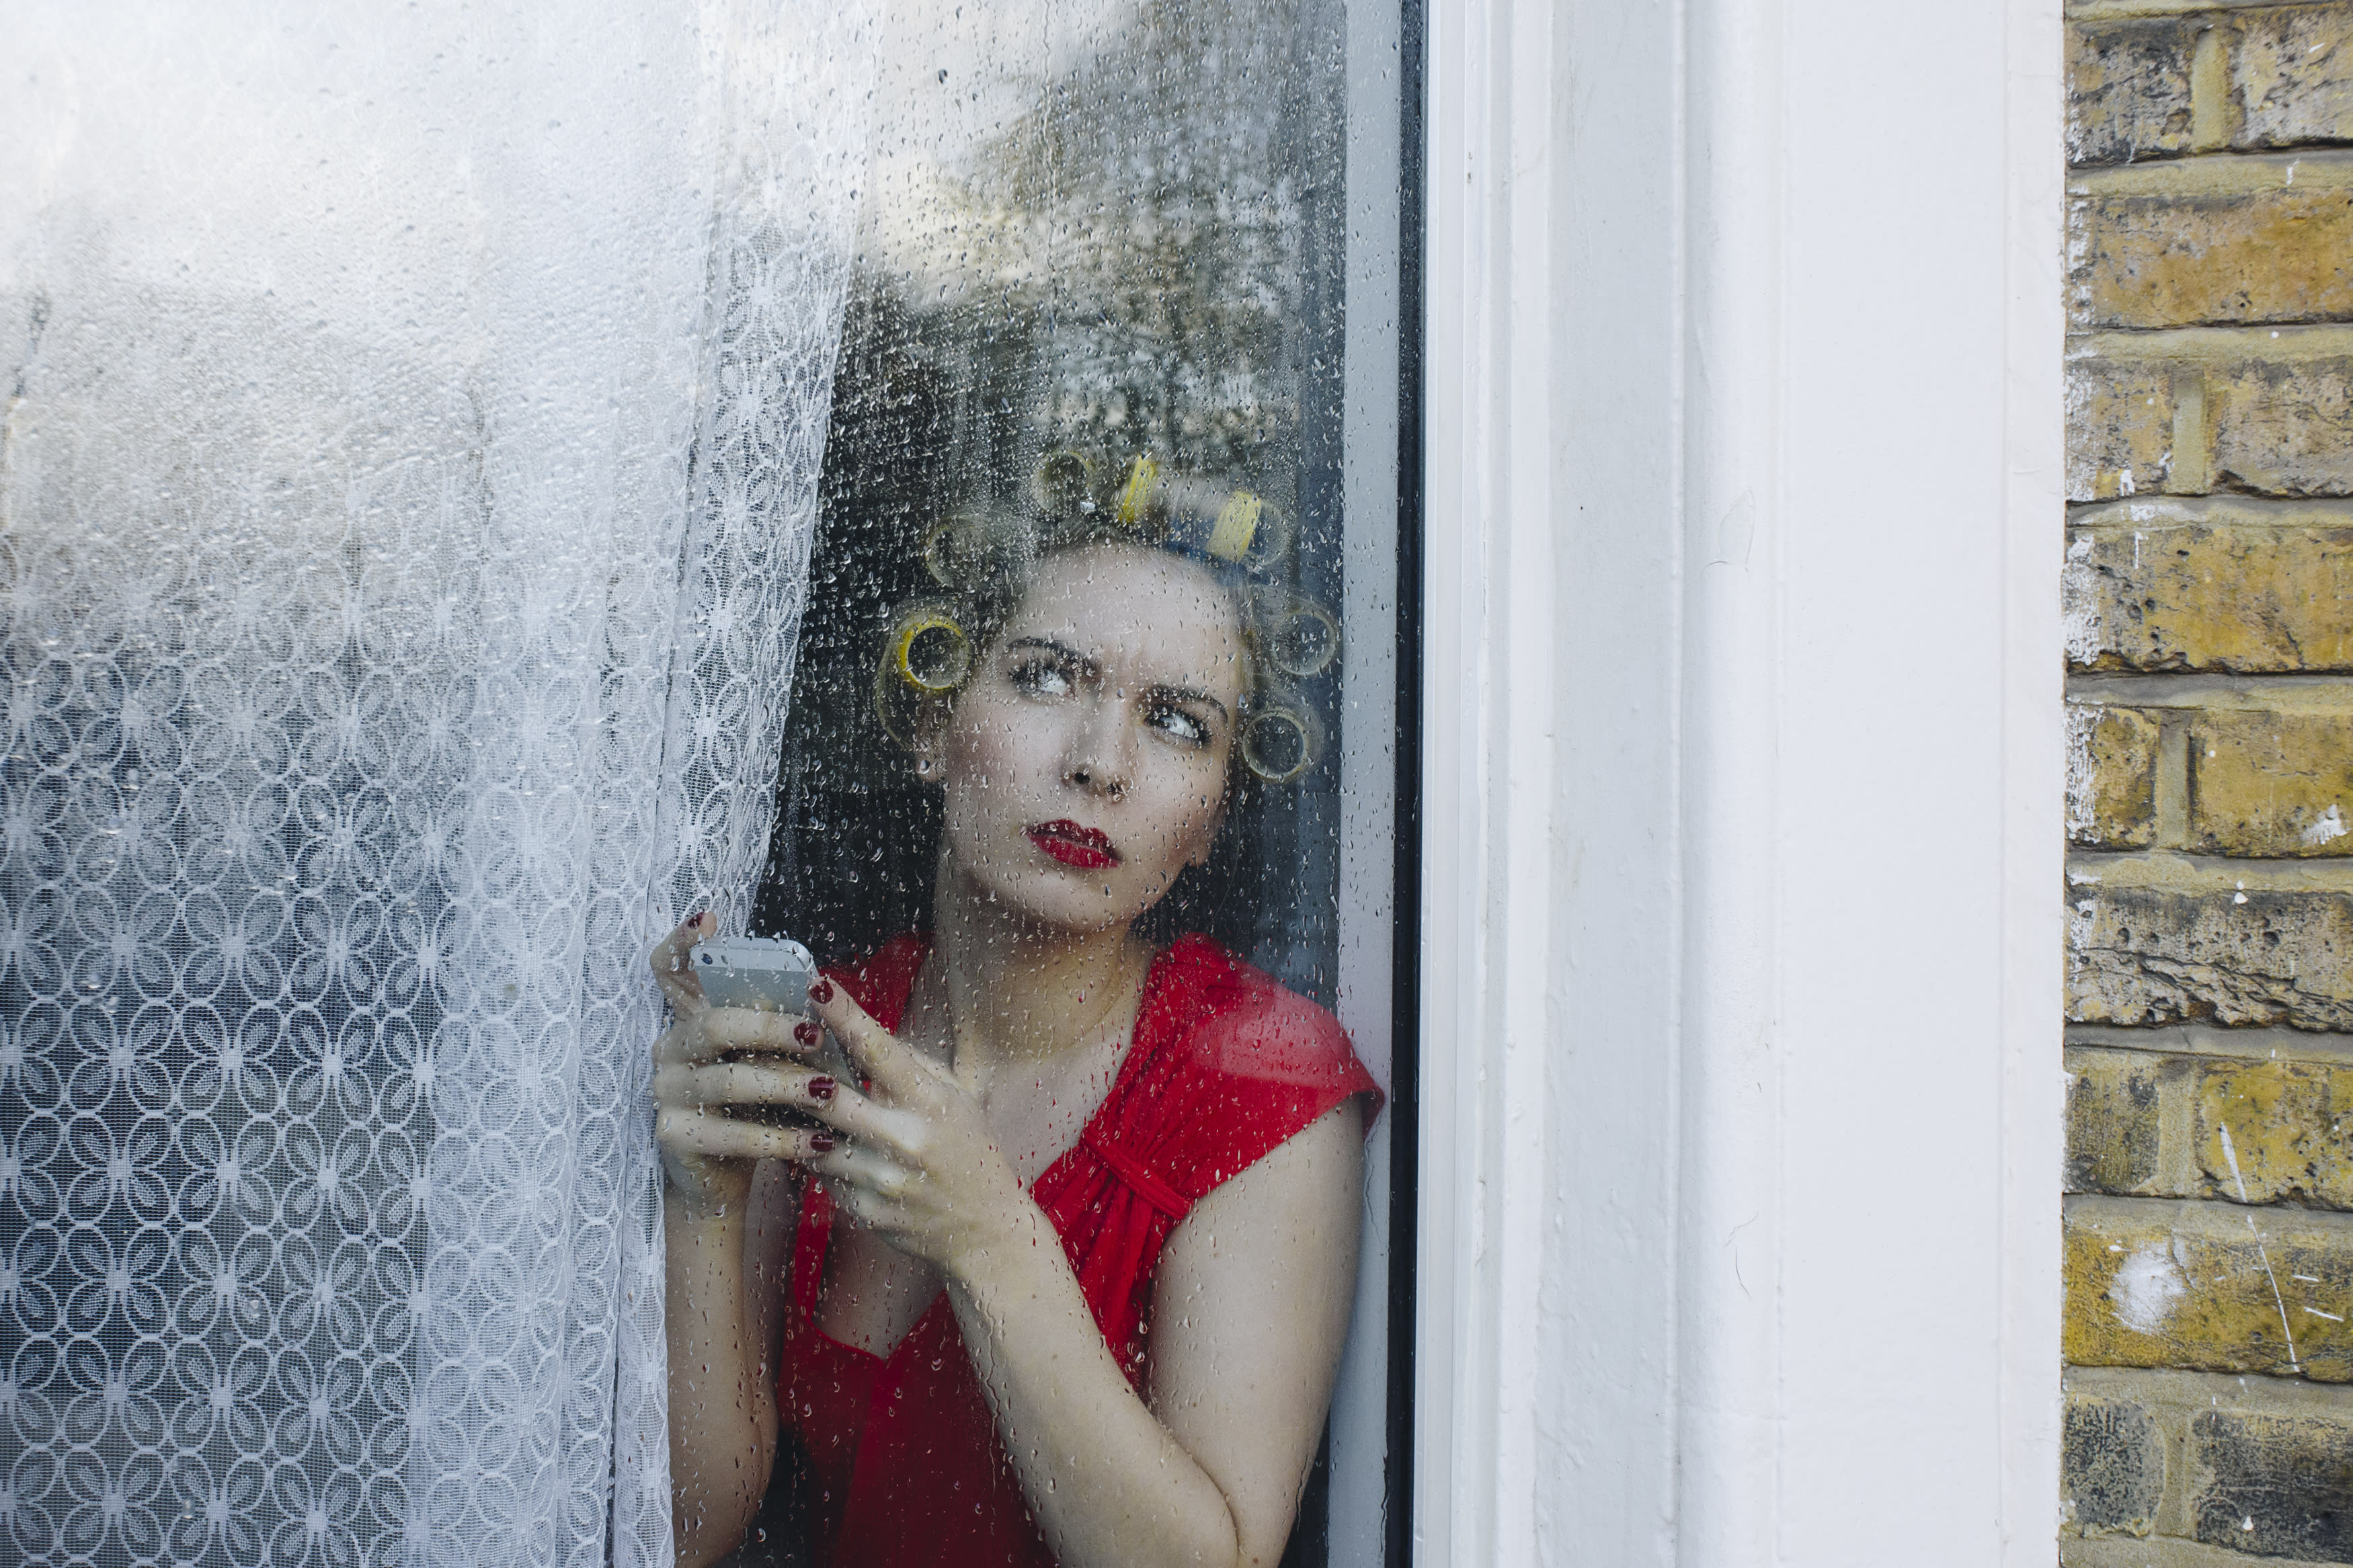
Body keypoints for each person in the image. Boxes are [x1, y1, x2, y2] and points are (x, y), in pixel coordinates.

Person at [649, 454, 1379, 1568]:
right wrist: (704, 1206)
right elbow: (690, 1528)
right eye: (1047, 678)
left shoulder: (1260, 1079)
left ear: (1211, 820)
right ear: (935, 725)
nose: (1099, 762)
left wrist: (989, 1233)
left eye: (1179, 723)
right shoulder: (821, 1034)